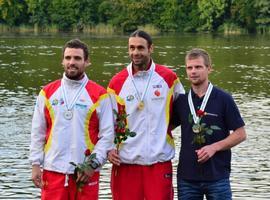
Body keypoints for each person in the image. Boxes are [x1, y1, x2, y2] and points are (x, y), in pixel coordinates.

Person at [29, 39, 114, 200]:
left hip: (85, 172)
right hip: (53, 171)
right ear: (62, 61)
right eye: (68, 58)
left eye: (77, 58)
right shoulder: (47, 93)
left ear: (87, 62)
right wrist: (35, 165)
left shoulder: (100, 95)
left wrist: (92, 165)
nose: (72, 62)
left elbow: (107, 136)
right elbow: (37, 132)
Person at [107, 30, 185, 200]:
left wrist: (163, 128)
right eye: (132, 48)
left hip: (158, 162)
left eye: (140, 48)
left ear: (151, 49)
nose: (135, 52)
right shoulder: (116, 82)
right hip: (126, 162)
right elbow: (107, 122)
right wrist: (109, 148)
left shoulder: (169, 78)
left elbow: (183, 112)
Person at [171, 48, 247, 200]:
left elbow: (241, 134)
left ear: (209, 68)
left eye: (198, 67)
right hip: (187, 177)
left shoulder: (224, 98)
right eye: (189, 67)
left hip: (217, 176)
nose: (193, 71)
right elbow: (163, 128)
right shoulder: (181, 101)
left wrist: (214, 147)